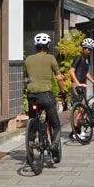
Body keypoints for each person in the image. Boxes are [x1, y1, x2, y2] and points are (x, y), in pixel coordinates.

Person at [24, 33, 67, 162]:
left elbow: (27, 79)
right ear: (48, 46)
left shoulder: (28, 60)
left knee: (33, 120)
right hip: (46, 95)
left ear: (36, 46)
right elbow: (59, 78)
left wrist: (31, 82)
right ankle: (54, 145)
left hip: (32, 95)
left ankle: (30, 144)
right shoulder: (51, 58)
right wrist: (62, 92)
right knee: (56, 124)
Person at [69, 38, 94, 140]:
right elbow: (71, 71)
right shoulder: (79, 58)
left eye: (90, 49)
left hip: (81, 86)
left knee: (83, 108)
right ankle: (75, 132)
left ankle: (76, 130)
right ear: (83, 48)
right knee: (82, 107)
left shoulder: (86, 59)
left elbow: (85, 73)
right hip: (76, 85)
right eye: (86, 48)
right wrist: (78, 84)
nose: (87, 50)